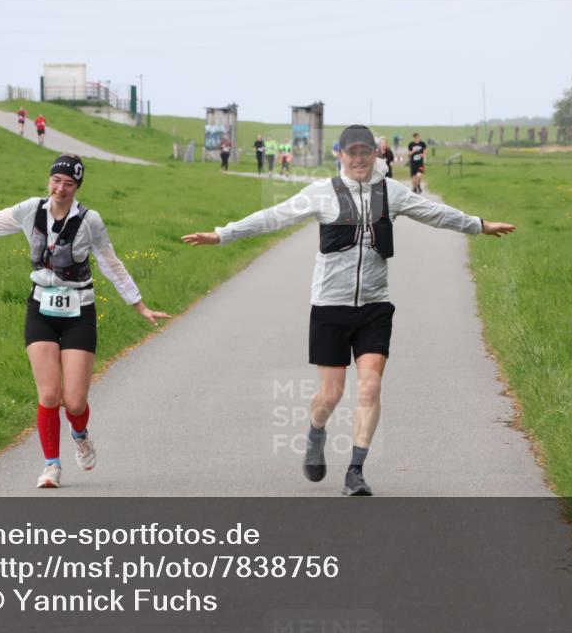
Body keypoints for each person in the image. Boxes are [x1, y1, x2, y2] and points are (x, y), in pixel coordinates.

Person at [181, 125, 515, 496]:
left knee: (370, 387)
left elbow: (434, 213)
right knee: (331, 395)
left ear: (376, 155)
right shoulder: (322, 193)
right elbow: (273, 216)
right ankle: (316, 432)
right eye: (351, 153)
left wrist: (479, 226)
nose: (358, 159)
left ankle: (355, 471)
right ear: (339, 154)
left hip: (374, 307)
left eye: (365, 153)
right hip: (330, 307)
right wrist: (222, 234)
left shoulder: (391, 192)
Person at [0, 154, 170, 489]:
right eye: (56, 181)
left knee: (74, 402)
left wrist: (139, 305)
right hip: (41, 309)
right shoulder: (30, 210)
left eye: (69, 184)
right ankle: (51, 466)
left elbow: (111, 263)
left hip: (79, 310)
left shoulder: (90, 222)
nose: (61, 188)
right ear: (49, 180)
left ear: (77, 187)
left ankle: (80, 434)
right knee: (49, 395)